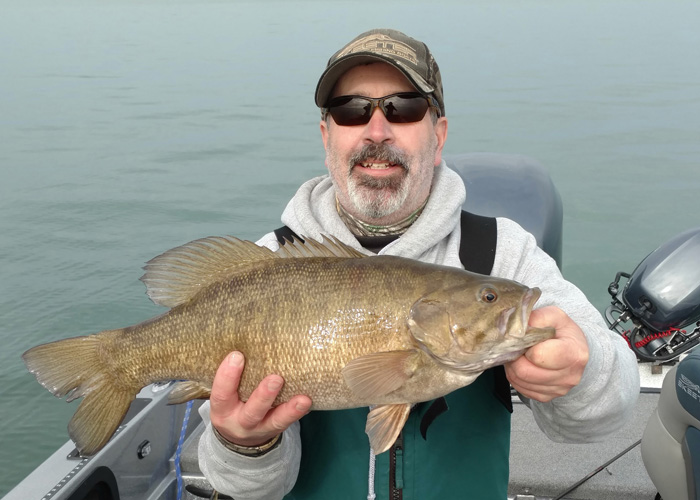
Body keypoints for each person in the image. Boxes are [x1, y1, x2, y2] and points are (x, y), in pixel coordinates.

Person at [197, 28, 640, 499]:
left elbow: (604, 415)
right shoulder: (267, 265)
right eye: (351, 110)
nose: (376, 131)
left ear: (439, 133)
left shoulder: (503, 255)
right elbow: (245, 490)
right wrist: (242, 443)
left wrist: (583, 369)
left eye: (403, 108)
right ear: (327, 137)